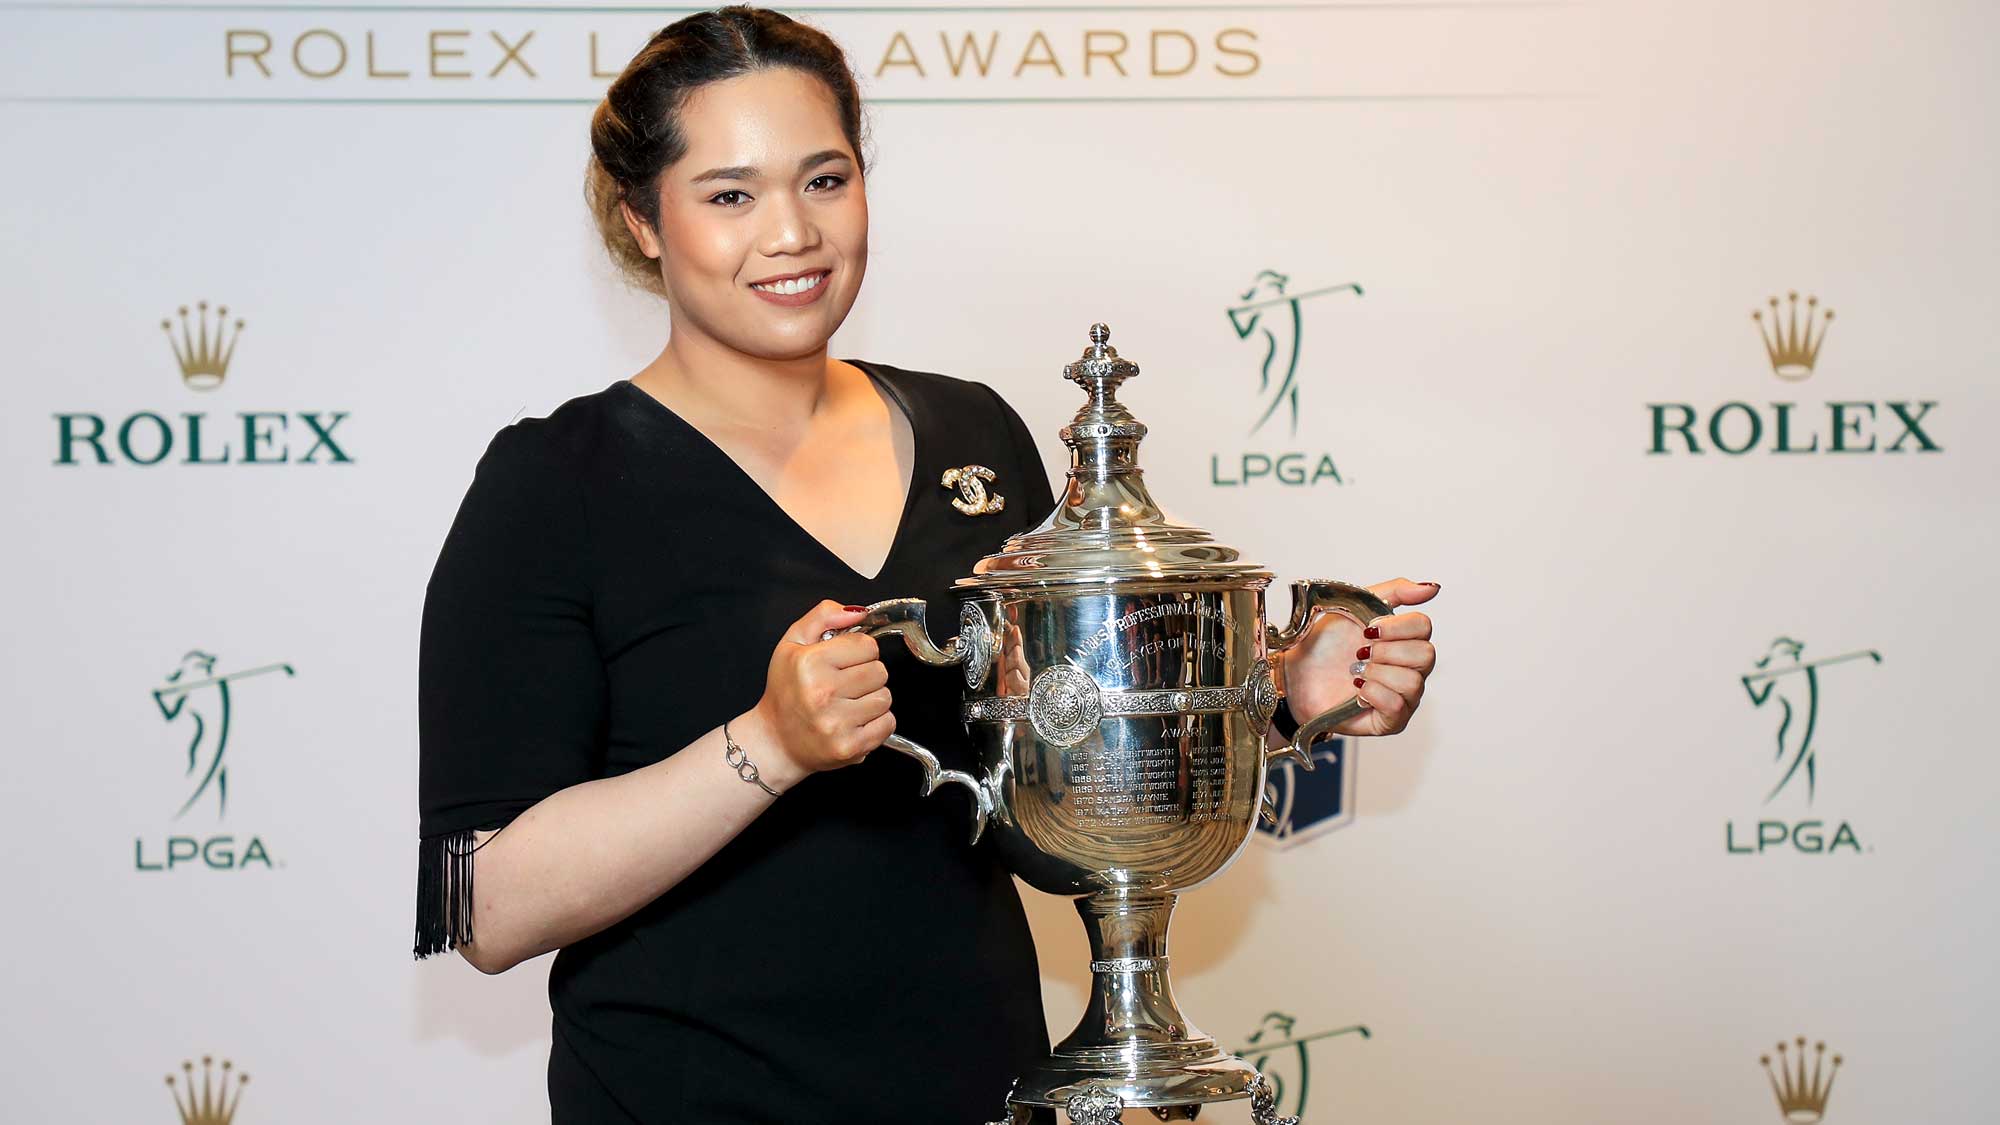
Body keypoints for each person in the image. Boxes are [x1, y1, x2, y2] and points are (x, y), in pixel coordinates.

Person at [411, 7, 1439, 1122]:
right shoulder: (553, 484)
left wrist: (1269, 706)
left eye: (824, 179)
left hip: (977, 1087)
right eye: (729, 195)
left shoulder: (974, 435)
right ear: (641, 220)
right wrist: (766, 746)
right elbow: (483, 910)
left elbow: (1049, 812)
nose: (792, 233)